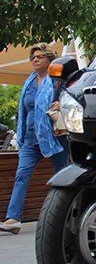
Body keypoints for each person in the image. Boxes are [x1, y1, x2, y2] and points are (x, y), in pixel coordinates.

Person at [1, 44, 69, 234]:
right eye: (33, 57)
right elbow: (23, 110)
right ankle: (13, 219)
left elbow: (74, 99)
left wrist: (61, 103)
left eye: (39, 57)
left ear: (49, 60)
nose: (35, 60)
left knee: (62, 177)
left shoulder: (58, 81)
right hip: (30, 139)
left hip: (53, 138)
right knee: (21, 176)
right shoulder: (29, 82)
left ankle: (67, 215)